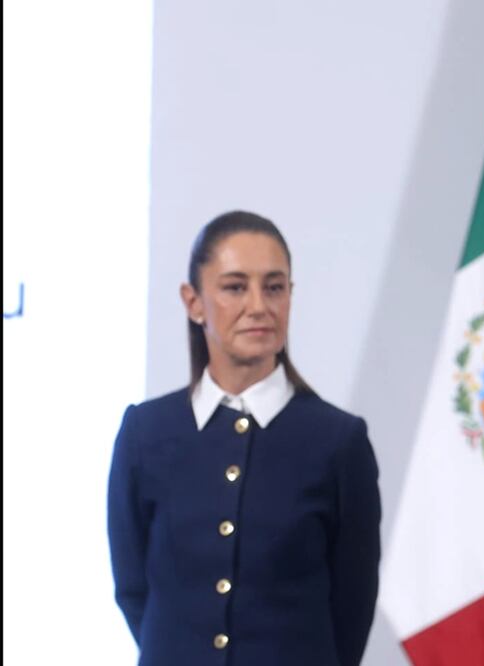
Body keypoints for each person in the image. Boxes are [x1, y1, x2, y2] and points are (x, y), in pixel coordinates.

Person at [108, 211, 381, 666]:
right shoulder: (146, 432)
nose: (259, 305)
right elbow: (135, 591)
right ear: (193, 302)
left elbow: (350, 613)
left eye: (274, 287)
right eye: (235, 287)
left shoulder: (338, 441)